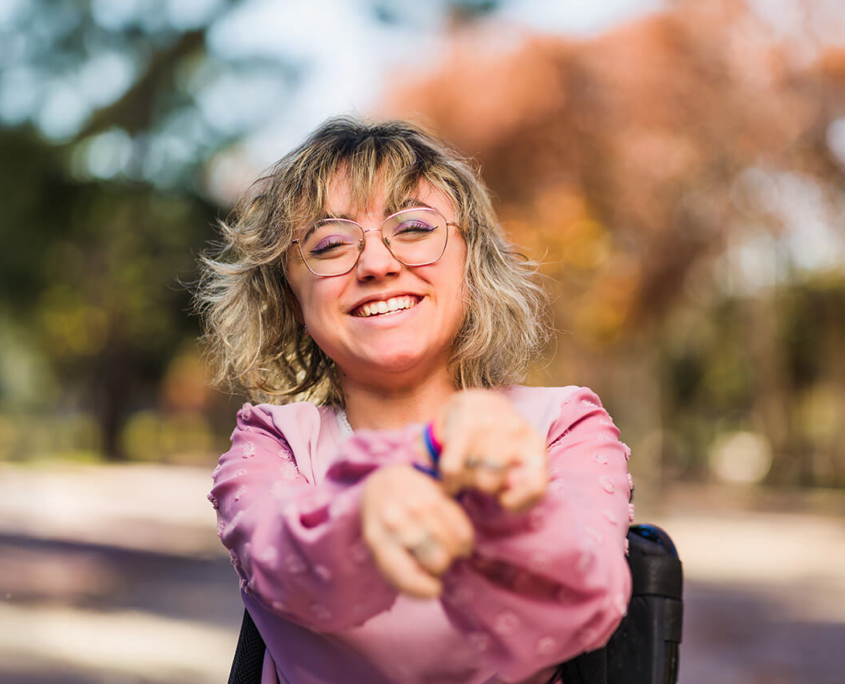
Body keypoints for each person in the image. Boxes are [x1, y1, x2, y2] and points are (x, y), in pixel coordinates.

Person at [197, 117, 633, 684]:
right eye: (330, 244)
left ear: (470, 261)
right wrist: (387, 492)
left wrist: (503, 509)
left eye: (414, 228)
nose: (377, 264)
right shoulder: (272, 442)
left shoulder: (562, 428)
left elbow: (587, 594)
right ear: (290, 297)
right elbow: (282, 563)